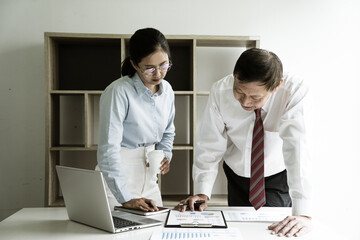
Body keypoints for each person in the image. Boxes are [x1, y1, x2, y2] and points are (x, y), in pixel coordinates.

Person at [176, 48, 312, 237]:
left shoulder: (293, 91)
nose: (245, 102)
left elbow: (296, 146)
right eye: (239, 92)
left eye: (256, 97)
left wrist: (302, 212)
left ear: (276, 86)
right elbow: (209, 144)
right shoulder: (220, 91)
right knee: (240, 232)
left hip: (276, 174)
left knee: (276, 232)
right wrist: (202, 192)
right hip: (237, 175)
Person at [97, 28, 175, 212]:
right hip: (118, 177)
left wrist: (165, 155)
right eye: (149, 68)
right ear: (134, 64)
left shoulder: (167, 90)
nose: (158, 74)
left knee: (154, 231)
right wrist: (125, 198)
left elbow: (168, 131)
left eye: (164, 65)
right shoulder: (118, 91)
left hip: (149, 177)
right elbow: (108, 149)